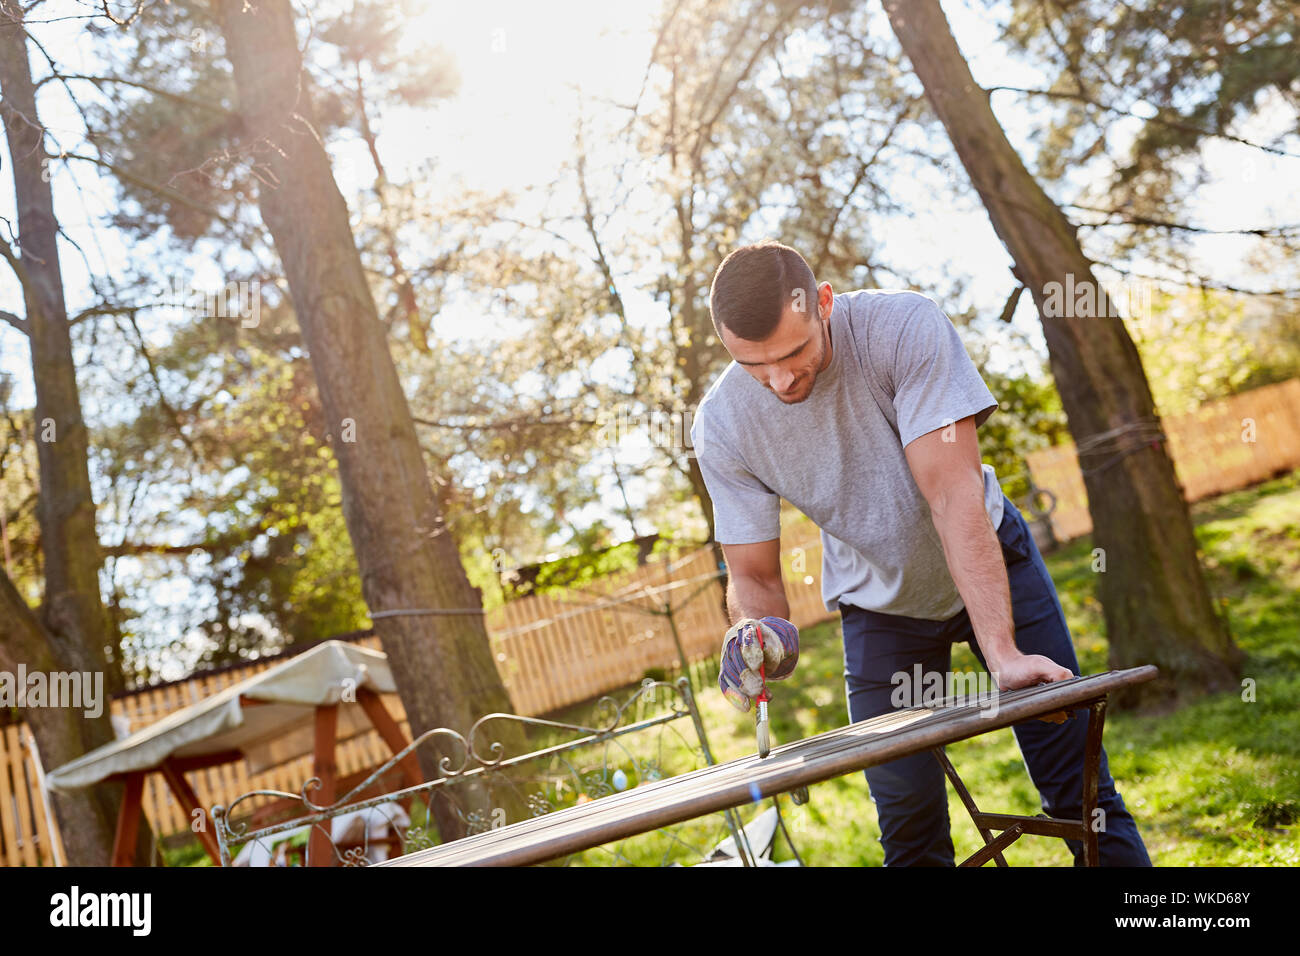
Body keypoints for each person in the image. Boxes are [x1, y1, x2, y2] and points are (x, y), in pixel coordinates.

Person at [691, 239, 1152, 866]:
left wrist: (1004, 655)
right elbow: (752, 572)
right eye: (754, 364)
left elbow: (953, 498)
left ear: (823, 303)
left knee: (1081, 796)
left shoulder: (901, 327)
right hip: (878, 605)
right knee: (909, 832)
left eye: (794, 352)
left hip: (992, 562)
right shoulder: (722, 424)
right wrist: (755, 630)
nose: (779, 378)